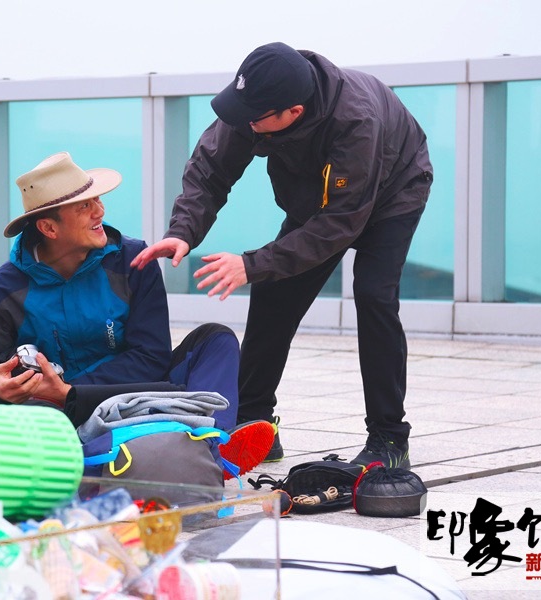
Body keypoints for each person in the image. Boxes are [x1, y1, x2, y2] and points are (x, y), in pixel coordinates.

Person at [131, 42, 434, 470]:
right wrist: (183, 231)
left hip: (393, 190)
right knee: (274, 291)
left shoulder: (356, 121)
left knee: (374, 295)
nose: (246, 124)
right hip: (319, 196)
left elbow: (339, 224)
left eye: (255, 119)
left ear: (294, 112)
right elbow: (209, 168)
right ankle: (255, 422)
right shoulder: (256, 103)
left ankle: (389, 437)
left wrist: (250, 264)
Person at [0, 152, 275, 477]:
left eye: (97, 199)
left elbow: (151, 357)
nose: (100, 211)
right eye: (84, 206)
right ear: (49, 227)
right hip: (56, 414)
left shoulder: (134, 260)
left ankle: (211, 446)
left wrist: (72, 391)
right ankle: (176, 451)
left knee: (216, 340)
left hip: (136, 396)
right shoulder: (2, 290)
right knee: (27, 424)